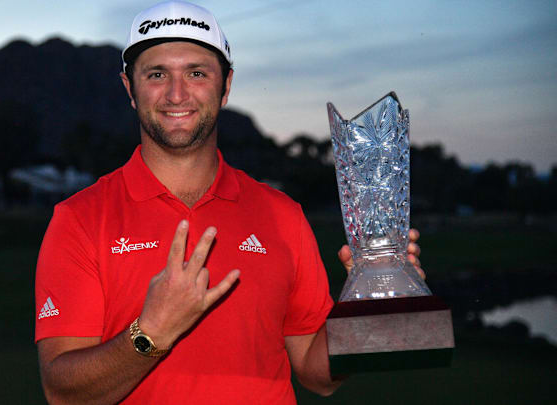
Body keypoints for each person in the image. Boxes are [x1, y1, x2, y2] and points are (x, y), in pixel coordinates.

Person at [34, 2, 424, 404]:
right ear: (129, 89)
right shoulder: (79, 219)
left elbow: (317, 373)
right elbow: (64, 393)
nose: (176, 93)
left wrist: (368, 302)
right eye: (156, 74)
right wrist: (151, 332)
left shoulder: (282, 215)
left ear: (226, 85)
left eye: (197, 73)